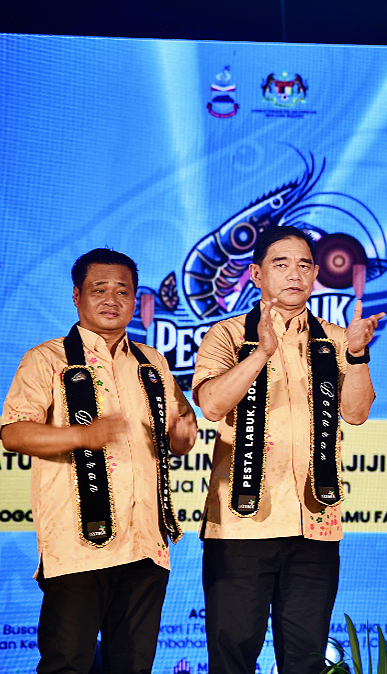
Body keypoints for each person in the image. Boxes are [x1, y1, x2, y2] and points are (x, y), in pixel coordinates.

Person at [192, 225, 384, 674]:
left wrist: (357, 355)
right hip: (241, 526)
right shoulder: (227, 335)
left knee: (305, 659)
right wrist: (260, 353)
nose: (294, 274)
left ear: (316, 274)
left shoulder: (335, 338)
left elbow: (356, 413)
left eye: (303, 265)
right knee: (232, 657)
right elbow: (212, 404)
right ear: (257, 274)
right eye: (281, 264)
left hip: (314, 524)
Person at [1, 248, 197, 674]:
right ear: (77, 296)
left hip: (146, 544)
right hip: (78, 545)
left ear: (134, 299)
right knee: (67, 664)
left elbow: (180, 430)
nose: (112, 299)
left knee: (133, 666)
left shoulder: (152, 362)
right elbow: (13, 432)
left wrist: (183, 437)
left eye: (122, 291)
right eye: (99, 289)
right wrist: (81, 436)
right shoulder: (47, 359)